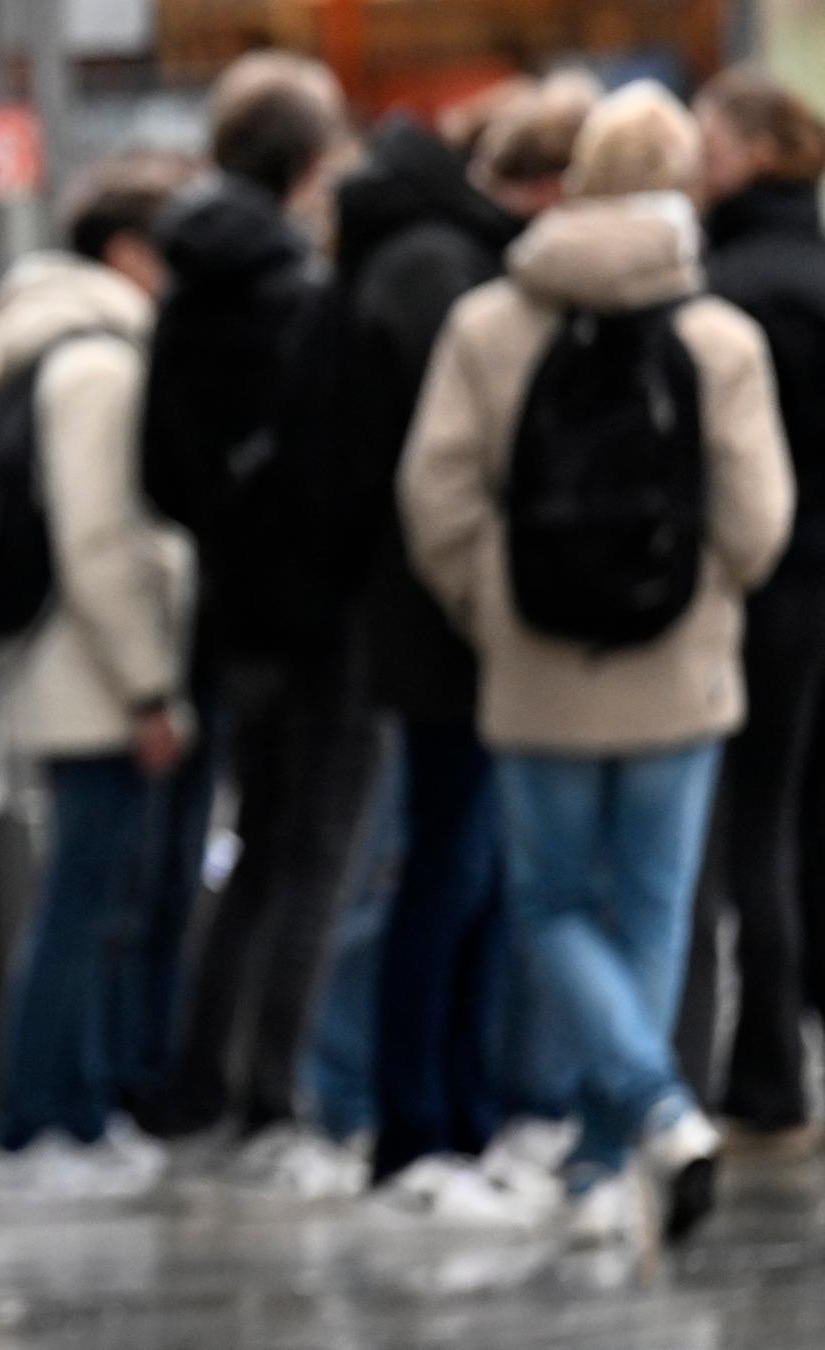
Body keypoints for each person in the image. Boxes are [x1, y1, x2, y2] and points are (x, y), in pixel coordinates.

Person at [401, 82, 793, 1247]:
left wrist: (495, 607)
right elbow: (759, 518)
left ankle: (610, 1151)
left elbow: (437, 498)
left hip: (535, 671)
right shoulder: (719, 333)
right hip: (683, 674)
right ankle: (644, 1119)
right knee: (656, 916)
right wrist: (705, 600)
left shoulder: (489, 322)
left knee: (555, 908)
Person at [335, 76, 597, 1203]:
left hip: (434, 622)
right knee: (444, 872)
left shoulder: (424, 252)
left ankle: (460, 1119)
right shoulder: (441, 270)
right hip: (440, 630)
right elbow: (444, 474)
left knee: (463, 871)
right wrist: (491, 604)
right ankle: (419, 1129)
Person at [139, 52, 378, 1194]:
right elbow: (331, 466)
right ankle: (276, 1089)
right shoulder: (294, 288)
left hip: (237, 611)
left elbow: (163, 472)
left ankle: (204, 1079)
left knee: (258, 847)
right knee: (315, 851)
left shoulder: (186, 284)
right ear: (303, 159)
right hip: (318, 616)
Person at [0, 151, 202, 1196]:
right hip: (93, 677)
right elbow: (104, 545)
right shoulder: (101, 365)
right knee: (83, 904)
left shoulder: (52, 349)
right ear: (126, 252)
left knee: (85, 898)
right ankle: (44, 1119)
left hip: (64, 668)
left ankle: (70, 1106)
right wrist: (152, 686)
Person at [670, 69, 825, 1159]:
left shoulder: (730, 289)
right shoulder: (810, 269)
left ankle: (764, 1074)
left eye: (712, 139)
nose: (696, 156)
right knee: (798, 821)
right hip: (814, 581)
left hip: (762, 585)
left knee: (748, 832)